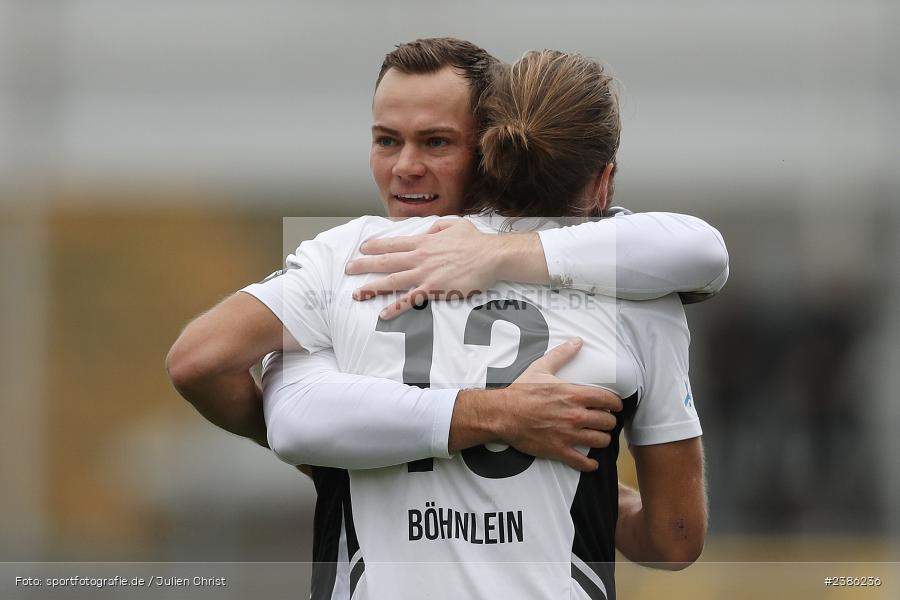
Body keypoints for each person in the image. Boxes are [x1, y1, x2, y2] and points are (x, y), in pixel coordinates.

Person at [167, 38, 716, 599]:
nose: (406, 166)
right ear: (602, 179)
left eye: (436, 142)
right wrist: (507, 426)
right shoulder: (637, 287)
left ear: (490, 150)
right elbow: (675, 538)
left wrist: (343, 458)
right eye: (386, 140)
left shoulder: (354, 258)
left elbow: (203, 364)